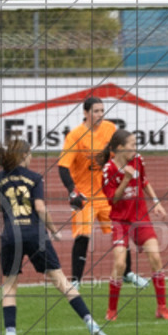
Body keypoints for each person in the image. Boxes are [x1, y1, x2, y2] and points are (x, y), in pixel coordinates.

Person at [0, 138, 108, 335]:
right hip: (35, 235)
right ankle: (91, 323)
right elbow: (40, 208)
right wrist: (53, 230)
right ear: (24, 156)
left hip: (10, 237)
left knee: (10, 285)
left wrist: (1, 206)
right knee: (60, 281)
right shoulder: (34, 178)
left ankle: (10, 333)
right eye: (30, 153)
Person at [58, 96, 147, 290]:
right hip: (85, 196)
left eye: (101, 111)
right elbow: (63, 167)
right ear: (85, 113)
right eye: (95, 111)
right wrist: (72, 191)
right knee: (83, 235)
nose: (99, 115)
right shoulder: (75, 136)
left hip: (107, 194)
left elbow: (119, 155)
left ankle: (128, 273)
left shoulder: (110, 129)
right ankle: (75, 281)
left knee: (121, 229)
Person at [98, 129, 168, 321]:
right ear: (120, 148)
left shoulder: (138, 160)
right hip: (120, 221)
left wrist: (156, 201)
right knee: (120, 263)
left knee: (156, 258)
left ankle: (162, 308)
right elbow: (112, 200)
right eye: (131, 144)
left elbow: (144, 181)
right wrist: (125, 179)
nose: (135, 147)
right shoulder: (108, 170)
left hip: (140, 217)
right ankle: (112, 310)